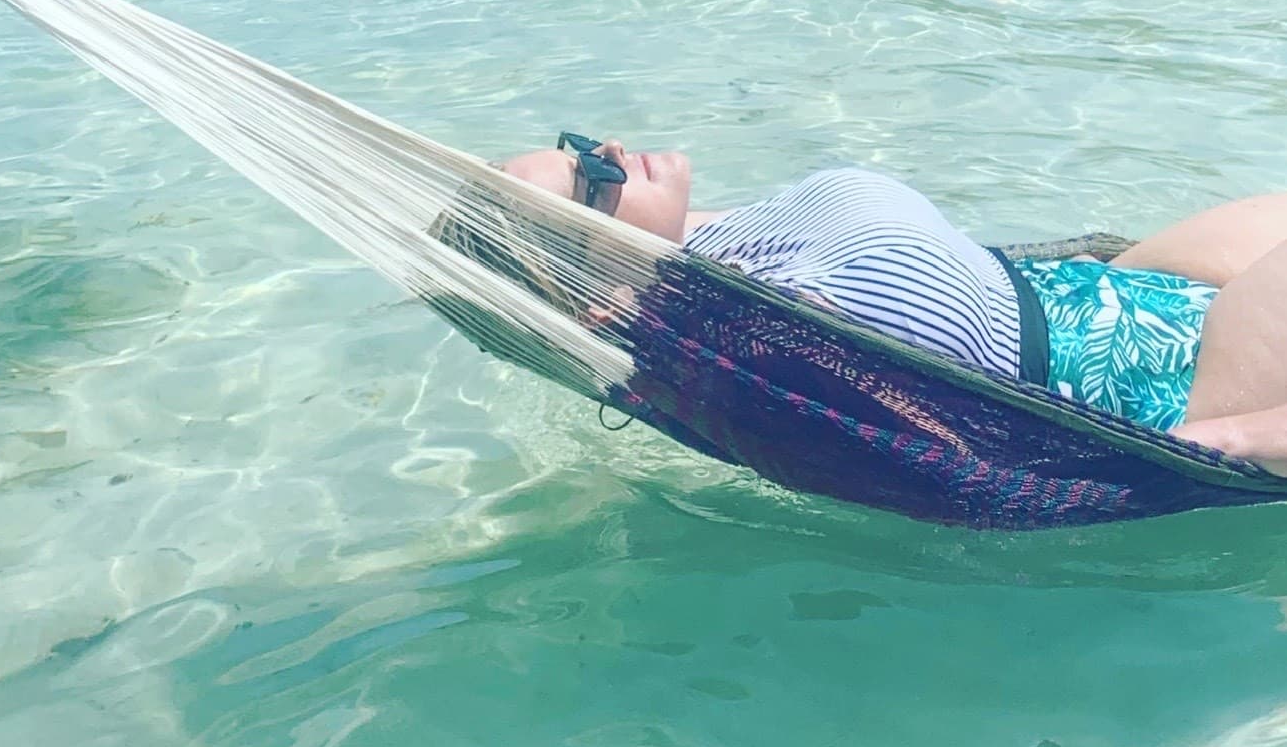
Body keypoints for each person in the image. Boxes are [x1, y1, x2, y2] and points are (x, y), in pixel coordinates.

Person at [497, 134, 1287, 474]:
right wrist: (1226, 442)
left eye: (580, 148)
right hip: (1172, 393)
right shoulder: (749, 345)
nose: (606, 153)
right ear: (602, 293)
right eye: (590, 185)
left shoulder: (703, 247)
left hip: (1117, 288)